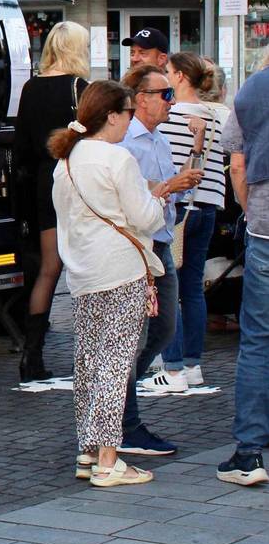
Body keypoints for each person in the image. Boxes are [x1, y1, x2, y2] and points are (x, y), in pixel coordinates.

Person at [49, 81, 165, 487]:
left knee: (88, 362)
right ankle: (108, 460)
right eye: (129, 112)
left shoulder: (66, 160)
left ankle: (88, 450)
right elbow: (145, 216)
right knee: (115, 363)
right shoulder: (118, 158)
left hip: (82, 270)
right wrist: (160, 202)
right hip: (119, 268)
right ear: (112, 115)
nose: (131, 119)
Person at [117, 65, 204, 456]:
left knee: (164, 329)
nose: (172, 100)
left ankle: (121, 403)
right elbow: (133, 199)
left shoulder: (159, 139)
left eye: (171, 93)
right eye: (164, 94)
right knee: (136, 336)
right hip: (139, 248)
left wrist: (179, 184)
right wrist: (168, 188)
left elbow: (165, 191)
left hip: (161, 242)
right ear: (140, 100)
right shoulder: (125, 144)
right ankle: (124, 421)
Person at [13, 21, 90, 381]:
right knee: (87, 268)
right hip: (76, 180)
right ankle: (92, 349)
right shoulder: (80, 88)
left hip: (44, 183)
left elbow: (22, 146)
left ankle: (32, 354)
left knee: (48, 268)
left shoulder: (30, 88)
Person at [143, 52, 224, 392]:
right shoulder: (219, 115)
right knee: (193, 289)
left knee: (169, 287)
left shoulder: (171, 115)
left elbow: (168, 165)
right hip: (209, 205)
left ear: (178, 77)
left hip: (179, 207)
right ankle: (193, 365)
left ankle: (172, 367)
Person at [216, 49, 269, 486]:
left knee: (257, 338)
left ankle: (249, 452)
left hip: (267, 224)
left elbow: (235, 159)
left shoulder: (253, 89)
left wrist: (249, 211)